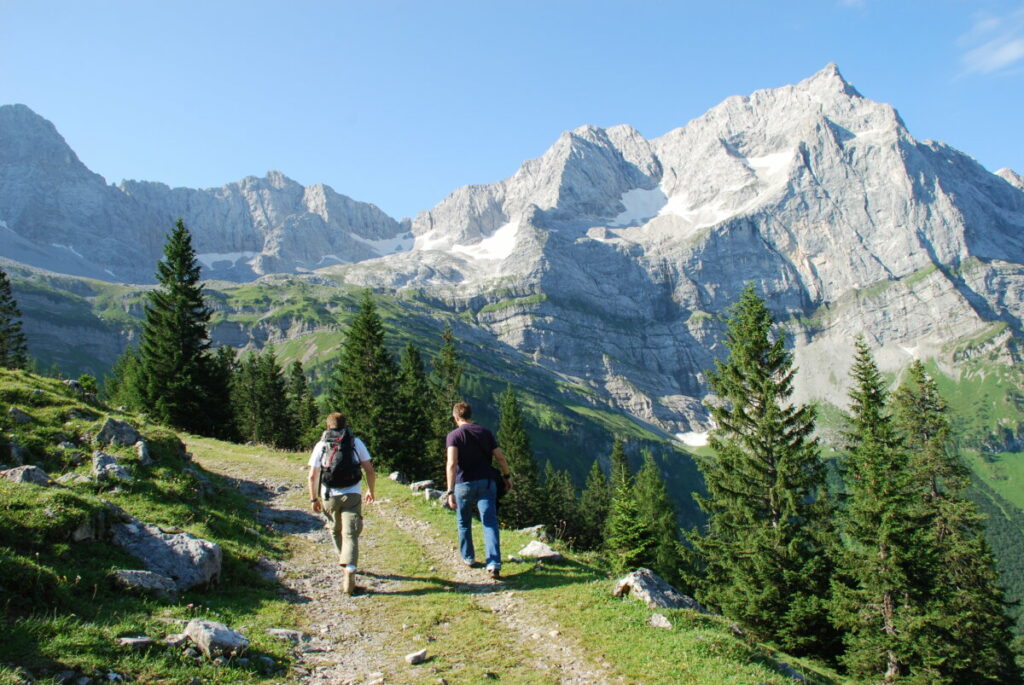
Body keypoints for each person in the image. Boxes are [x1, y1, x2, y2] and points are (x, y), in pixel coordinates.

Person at [308, 412, 376, 595]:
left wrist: (314, 498)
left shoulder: (321, 445)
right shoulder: (355, 442)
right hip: (352, 493)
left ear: (328, 426)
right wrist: (371, 490)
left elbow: (313, 475)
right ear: (346, 426)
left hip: (329, 494)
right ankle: (350, 568)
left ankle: (343, 561)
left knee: (335, 529)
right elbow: (369, 470)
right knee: (351, 533)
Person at [445, 401, 512, 579]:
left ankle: (469, 558)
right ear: (470, 415)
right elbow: (500, 457)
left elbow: (451, 464)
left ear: (456, 417)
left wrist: (450, 491)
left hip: (463, 484)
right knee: (489, 522)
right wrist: (506, 477)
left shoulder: (454, 436)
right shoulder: (485, 432)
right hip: (486, 482)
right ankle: (494, 563)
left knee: (463, 522)